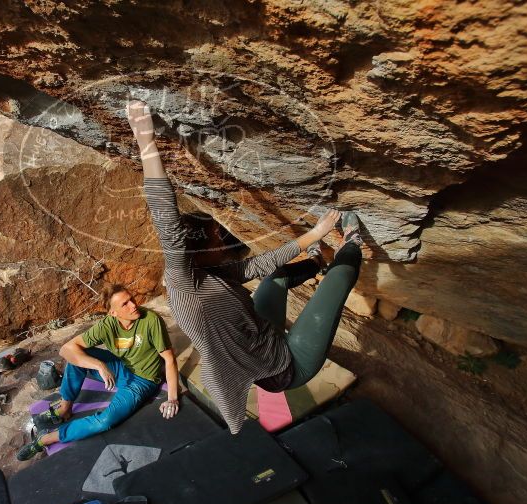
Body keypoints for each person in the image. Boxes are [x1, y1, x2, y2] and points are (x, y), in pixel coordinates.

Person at [126, 100, 364, 434]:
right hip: (286, 367)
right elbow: (165, 217)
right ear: (198, 249)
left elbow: (258, 265)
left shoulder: (208, 273)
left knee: (276, 276)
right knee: (340, 279)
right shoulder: (183, 279)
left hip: (261, 336)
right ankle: (352, 244)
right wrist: (145, 140)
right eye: (215, 236)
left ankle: (316, 261)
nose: (223, 238)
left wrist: (309, 240)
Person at [17, 284, 179, 460]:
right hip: (119, 367)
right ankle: (65, 409)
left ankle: (46, 439)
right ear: (113, 313)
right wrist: (99, 365)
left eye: (131, 299)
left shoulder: (150, 320)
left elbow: (169, 359)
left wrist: (172, 398)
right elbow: (66, 350)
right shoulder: (107, 325)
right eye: (125, 304)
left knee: (105, 421)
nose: (133, 305)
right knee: (77, 358)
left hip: (142, 380)